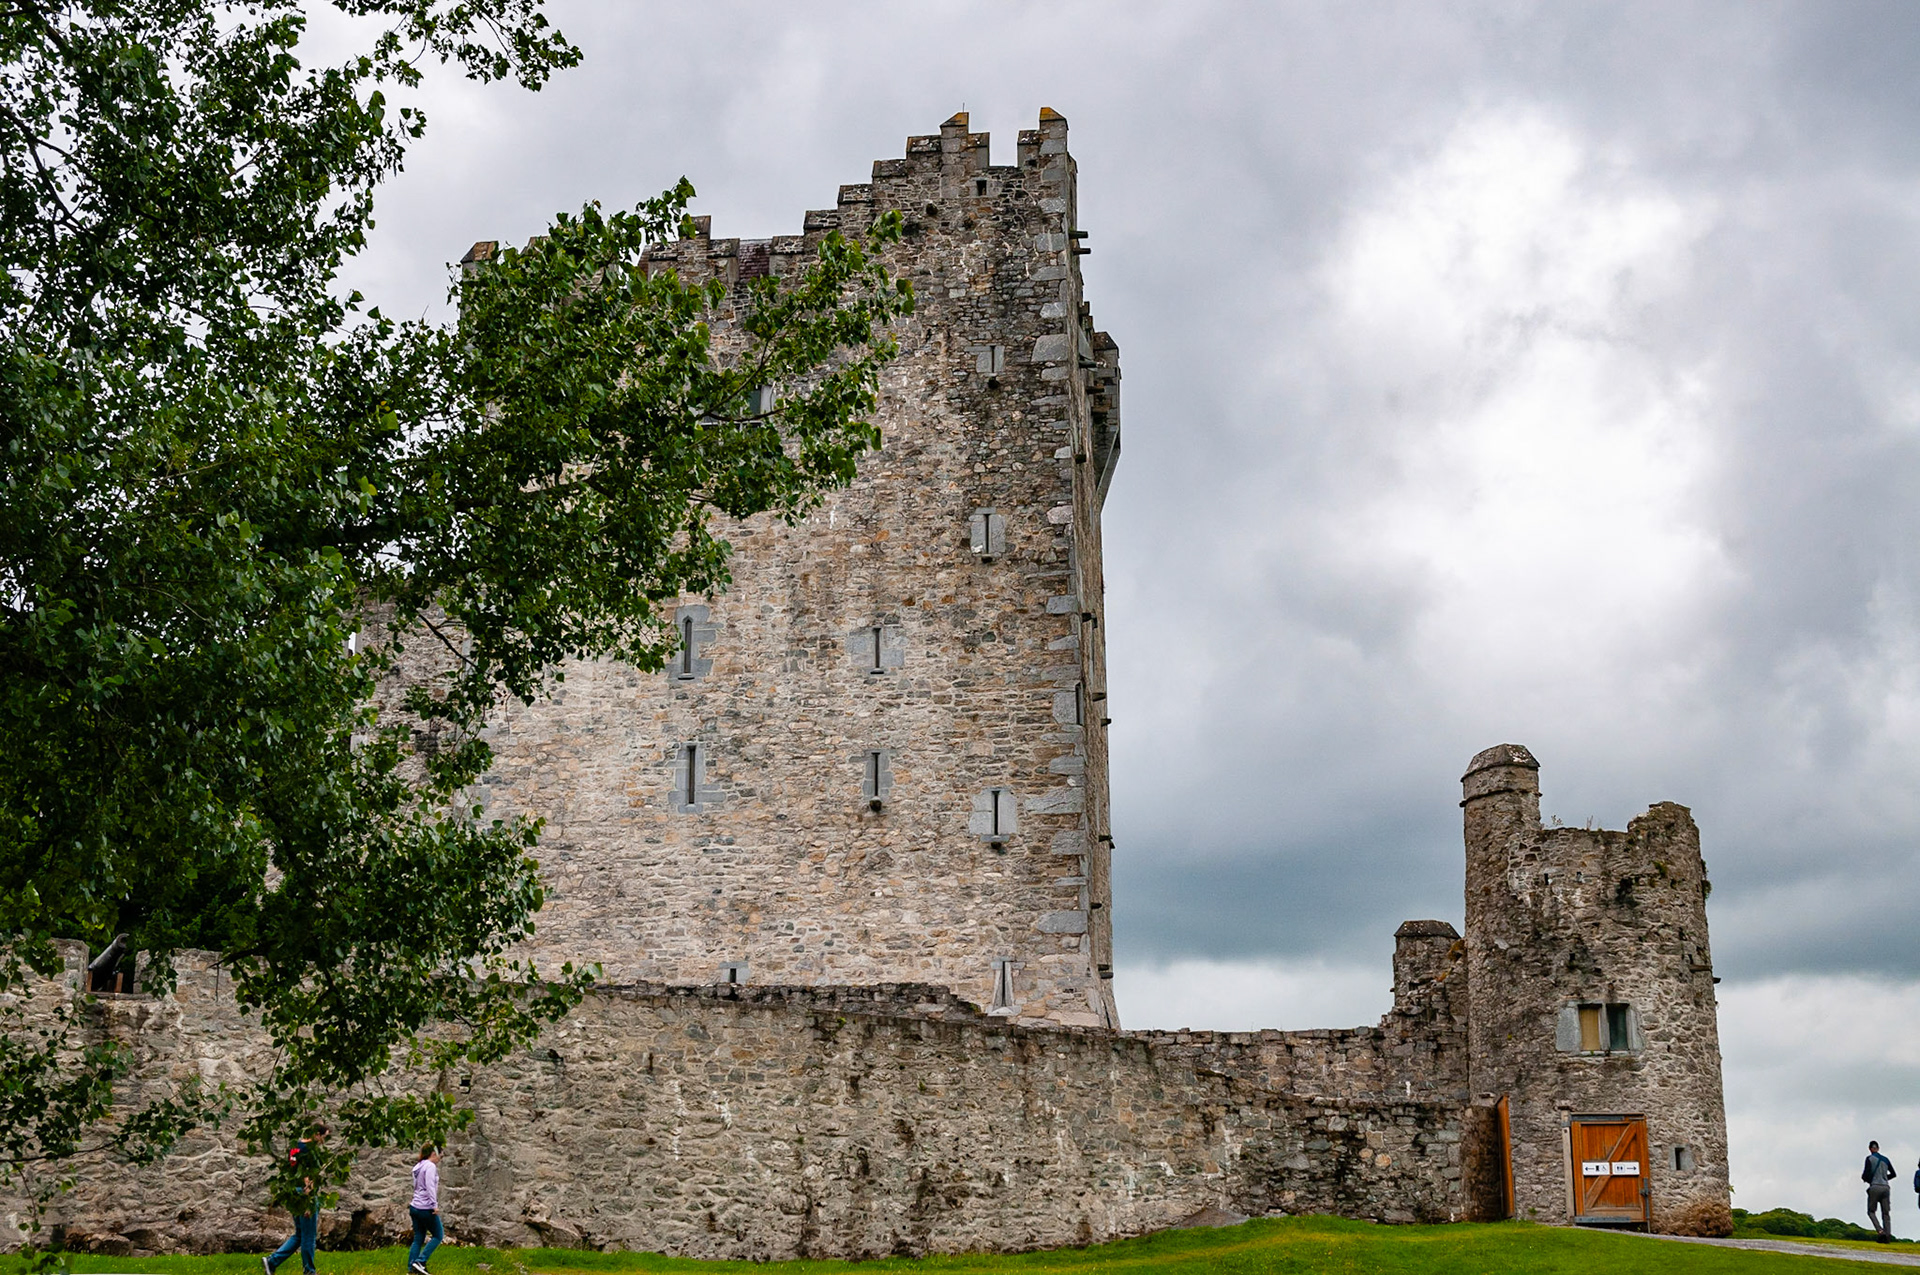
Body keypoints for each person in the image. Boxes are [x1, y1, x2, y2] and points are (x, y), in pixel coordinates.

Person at [264, 1123, 327, 1275]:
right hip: (305, 1193)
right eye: (324, 1137)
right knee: (308, 1235)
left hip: (293, 1191)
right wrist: (309, 1201)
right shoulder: (310, 1151)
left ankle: (272, 1262)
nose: (323, 1141)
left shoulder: (296, 1147)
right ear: (317, 1134)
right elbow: (307, 1176)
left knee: (299, 1234)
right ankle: (309, 1271)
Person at [407, 1146, 442, 1275]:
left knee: (418, 1238)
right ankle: (421, 1262)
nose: (439, 1159)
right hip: (425, 1207)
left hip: (415, 1206)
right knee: (438, 1235)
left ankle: (412, 1269)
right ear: (433, 1153)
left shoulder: (418, 1166)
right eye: (440, 1156)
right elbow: (430, 1186)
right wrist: (434, 1205)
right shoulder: (430, 1166)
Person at [1864, 1139, 1897, 1241]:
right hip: (1886, 1187)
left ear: (1870, 1149)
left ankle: (1880, 1231)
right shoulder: (1886, 1159)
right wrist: (1885, 1178)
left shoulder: (1869, 1159)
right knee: (1886, 1213)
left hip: (1875, 1186)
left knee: (1871, 1211)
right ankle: (1887, 1236)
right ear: (1878, 1148)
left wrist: (1868, 1179)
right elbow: (1893, 1174)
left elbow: (1866, 1174)